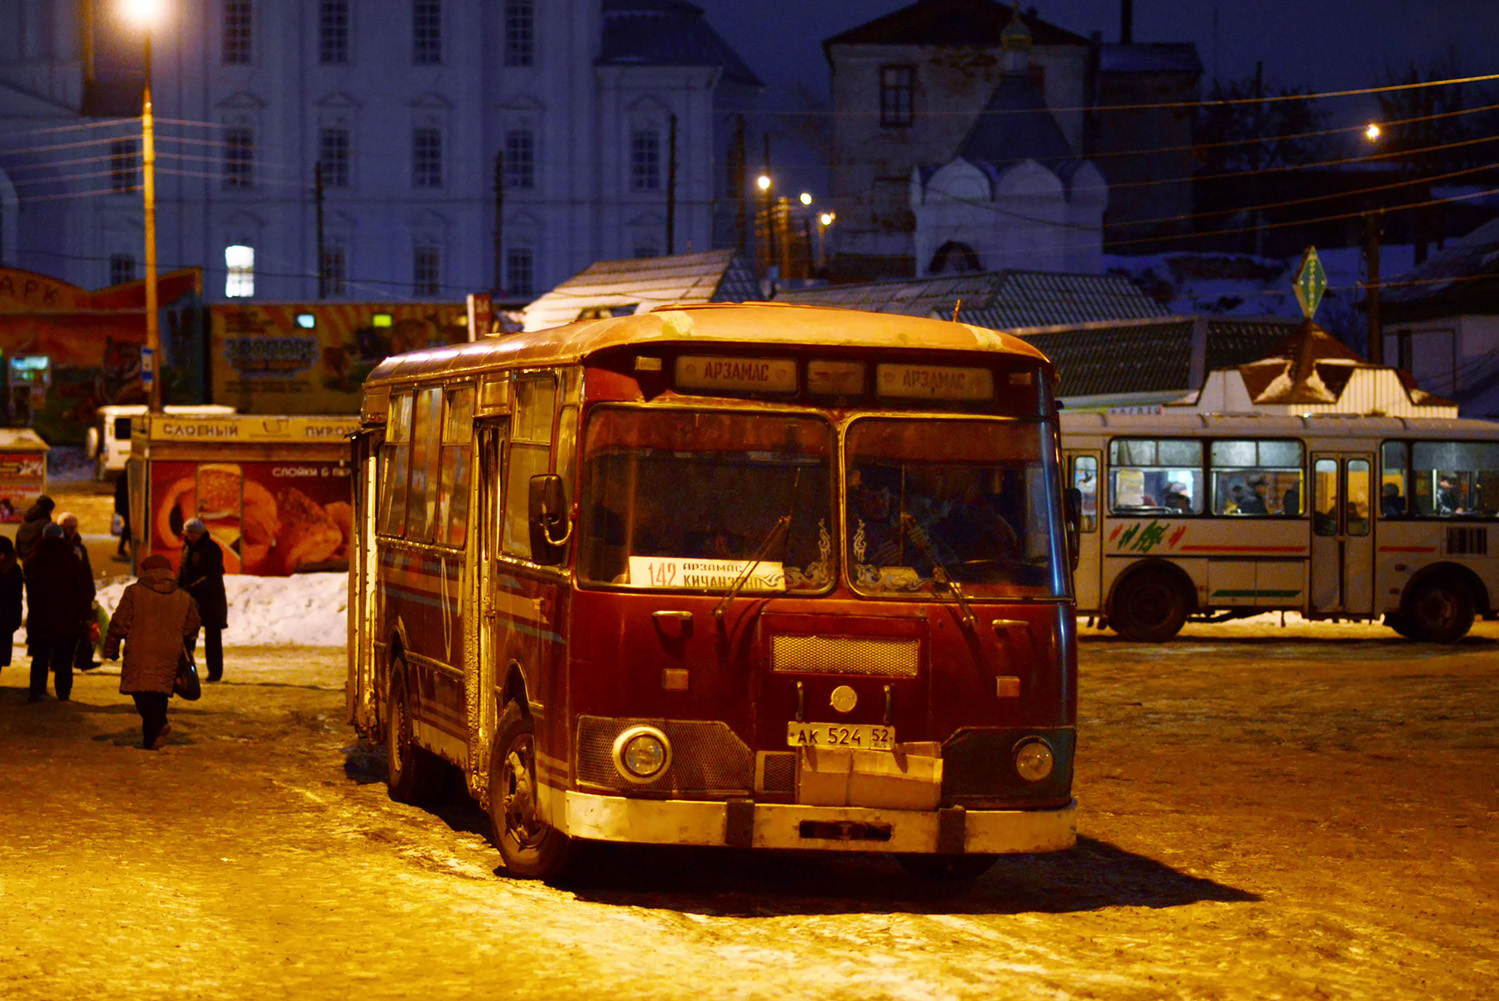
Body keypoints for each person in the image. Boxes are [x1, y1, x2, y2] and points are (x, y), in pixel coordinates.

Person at [102, 553, 201, 751]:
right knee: (160, 691)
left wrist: (110, 648)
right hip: (170, 651)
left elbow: (119, 623)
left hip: (140, 650)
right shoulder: (183, 596)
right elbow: (193, 625)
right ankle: (152, 740)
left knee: (142, 692)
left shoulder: (134, 592)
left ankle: (159, 725)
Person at [23, 523, 94, 703]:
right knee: (64, 658)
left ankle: (37, 691)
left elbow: (31, 590)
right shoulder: (72, 561)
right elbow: (84, 591)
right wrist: (83, 615)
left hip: (40, 618)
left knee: (40, 657)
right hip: (67, 619)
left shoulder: (33, 561)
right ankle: (63, 693)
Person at [178, 519, 227, 683]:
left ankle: (215, 672)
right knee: (187, 635)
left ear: (199, 533)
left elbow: (213, 575)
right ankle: (186, 670)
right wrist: (177, 586)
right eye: (188, 534)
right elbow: (182, 569)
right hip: (191, 599)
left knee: (212, 637)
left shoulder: (212, 549)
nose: (189, 537)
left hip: (211, 599)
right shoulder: (187, 547)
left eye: (192, 534)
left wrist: (191, 587)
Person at [57, 512, 100, 672]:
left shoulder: (79, 547)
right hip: (66, 594)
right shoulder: (63, 548)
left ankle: (82, 659)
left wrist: (90, 591)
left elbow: (86, 571)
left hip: (78, 593)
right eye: (67, 527)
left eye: (73, 527)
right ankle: (73, 660)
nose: (70, 530)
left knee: (83, 626)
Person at [0, 536, 21, 679]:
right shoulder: (13, 570)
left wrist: (15, 619)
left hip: (5, 619)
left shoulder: (13, 570)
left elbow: (16, 596)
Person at [15, 493, 55, 561]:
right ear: (48, 511)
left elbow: (17, 549)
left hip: (26, 563)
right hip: (41, 564)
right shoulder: (46, 525)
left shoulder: (23, 525)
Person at [114, 472, 132, 561]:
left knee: (128, 527)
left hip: (123, 507)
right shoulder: (130, 478)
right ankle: (123, 548)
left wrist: (117, 508)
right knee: (128, 527)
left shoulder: (122, 478)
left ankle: (124, 547)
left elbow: (117, 494)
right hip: (127, 507)